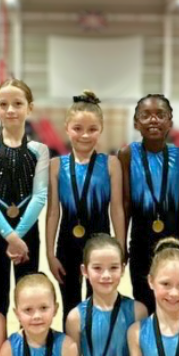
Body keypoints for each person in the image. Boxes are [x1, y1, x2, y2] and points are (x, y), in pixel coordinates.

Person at [46, 91, 122, 320]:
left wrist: (120, 248)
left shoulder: (110, 163)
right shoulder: (56, 165)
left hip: (101, 245)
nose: (85, 135)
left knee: (99, 304)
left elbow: (117, 208)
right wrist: (49, 254)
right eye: (78, 129)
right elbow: (52, 213)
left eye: (92, 129)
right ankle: (72, 353)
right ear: (67, 127)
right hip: (67, 245)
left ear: (101, 129)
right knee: (70, 306)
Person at [0, 79, 50, 316]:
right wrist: (10, 236)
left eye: (17, 103)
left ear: (29, 107)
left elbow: (39, 197)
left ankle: (27, 344)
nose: (10, 110)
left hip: (27, 230)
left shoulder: (39, 150)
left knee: (28, 293)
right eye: (4, 104)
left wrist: (18, 237)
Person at [119, 95, 179, 311]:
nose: (153, 120)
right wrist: (121, 244)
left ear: (170, 122)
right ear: (135, 122)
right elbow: (125, 204)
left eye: (160, 115)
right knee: (142, 302)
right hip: (140, 242)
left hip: (172, 242)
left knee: (170, 301)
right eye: (146, 115)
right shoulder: (126, 155)